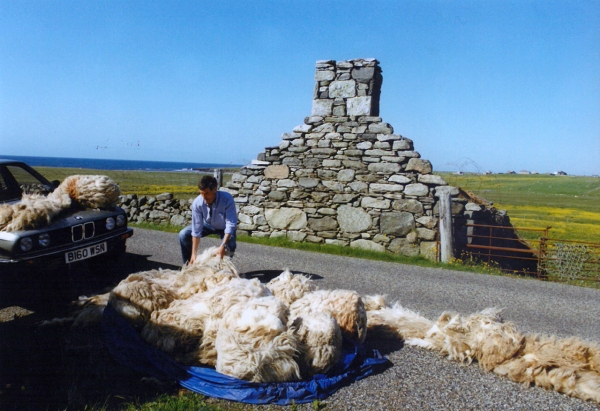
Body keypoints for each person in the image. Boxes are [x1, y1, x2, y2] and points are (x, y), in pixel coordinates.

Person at [179, 175, 237, 264]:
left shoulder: (227, 199)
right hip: (207, 225)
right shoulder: (197, 203)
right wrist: (193, 253)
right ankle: (188, 266)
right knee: (183, 234)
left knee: (231, 244)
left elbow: (230, 224)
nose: (203, 196)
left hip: (224, 227)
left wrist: (223, 246)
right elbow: (196, 229)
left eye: (206, 193)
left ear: (214, 189)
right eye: (201, 193)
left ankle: (224, 267)